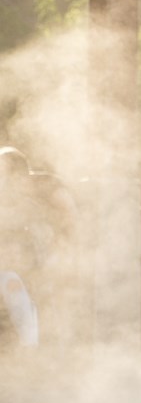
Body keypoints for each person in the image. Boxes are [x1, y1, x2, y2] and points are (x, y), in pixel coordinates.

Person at [0, 146, 75, 351]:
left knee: (13, 282)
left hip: (44, 257)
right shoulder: (7, 195)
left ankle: (31, 346)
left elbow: (68, 219)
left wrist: (63, 248)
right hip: (18, 262)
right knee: (10, 279)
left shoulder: (48, 186)